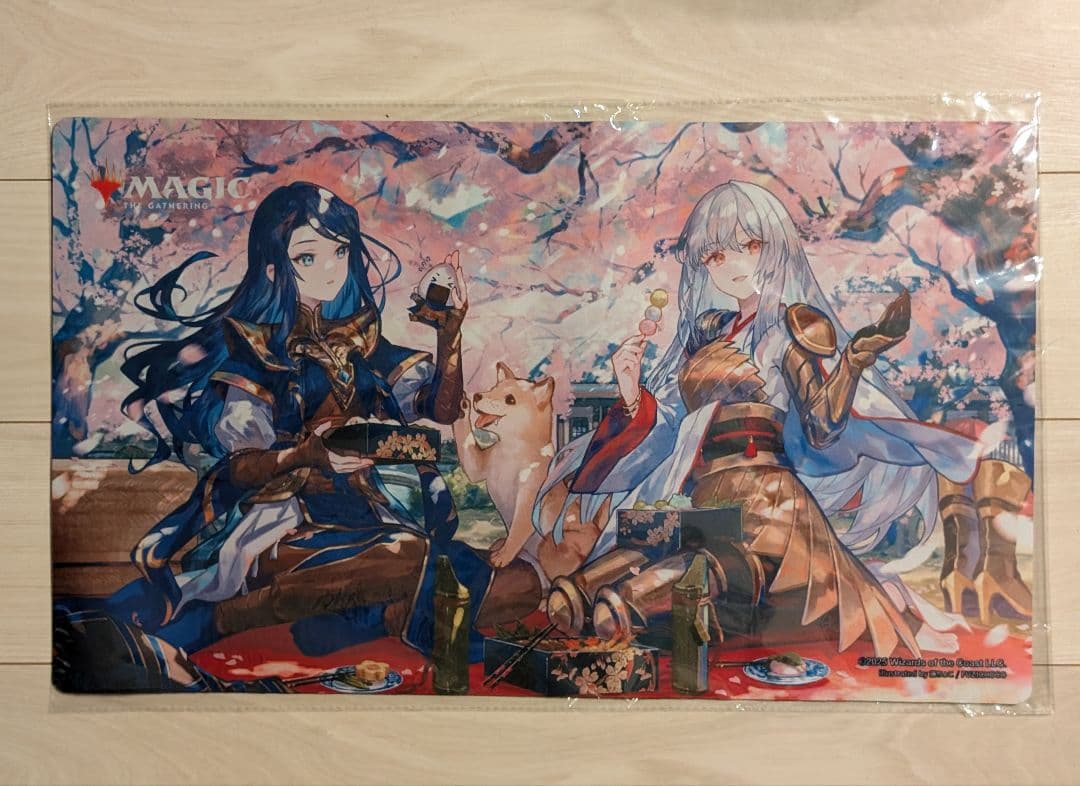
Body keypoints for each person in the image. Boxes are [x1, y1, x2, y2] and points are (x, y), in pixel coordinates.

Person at [54, 182, 539, 691]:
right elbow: (241, 467)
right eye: (308, 256)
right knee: (408, 555)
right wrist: (308, 454)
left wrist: (449, 332)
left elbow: (440, 409)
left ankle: (368, 621)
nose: (330, 268)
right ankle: (219, 622)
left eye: (340, 251)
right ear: (274, 267)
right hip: (282, 526)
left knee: (522, 586)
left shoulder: (359, 340)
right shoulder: (256, 352)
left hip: (367, 520)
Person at [534, 180, 981, 656]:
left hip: (768, 502)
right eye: (714, 256)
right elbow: (670, 427)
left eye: (747, 246)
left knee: (659, 588)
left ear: (773, 247)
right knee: (586, 588)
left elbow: (822, 428)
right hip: (703, 494)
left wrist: (852, 362)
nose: (731, 264)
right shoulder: (708, 333)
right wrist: (630, 393)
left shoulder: (793, 329)